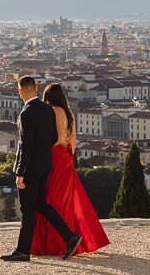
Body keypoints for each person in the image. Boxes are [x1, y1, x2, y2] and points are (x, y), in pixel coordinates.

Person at [0, 76, 82, 262]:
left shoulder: (26, 114)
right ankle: (69, 236)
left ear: (20, 91)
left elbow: (26, 146)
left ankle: (22, 251)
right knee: (40, 205)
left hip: (31, 169)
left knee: (27, 210)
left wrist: (20, 172)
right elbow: (53, 138)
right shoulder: (47, 110)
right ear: (36, 88)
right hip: (45, 166)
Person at [30, 83, 110, 257]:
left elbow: (53, 138)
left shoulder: (51, 111)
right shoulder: (69, 113)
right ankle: (66, 239)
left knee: (48, 200)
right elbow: (72, 140)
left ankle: (54, 244)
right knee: (65, 201)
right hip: (66, 157)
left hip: (54, 157)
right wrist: (68, 157)